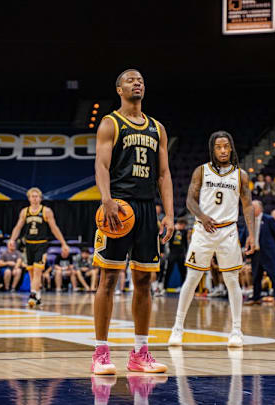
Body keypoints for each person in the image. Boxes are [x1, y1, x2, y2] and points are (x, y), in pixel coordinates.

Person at [91, 69, 174, 375]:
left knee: (144, 281)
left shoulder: (157, 128)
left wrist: (168, 214)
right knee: (109, 279)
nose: (137, 82)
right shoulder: (111, 123)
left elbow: (164, 175)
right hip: (119, 207)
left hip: (146, 209)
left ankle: (140, 352)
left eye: (140, 79)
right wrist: (106, 199)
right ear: (119, 89)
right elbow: (101, 164)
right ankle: (100, 352)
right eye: (130, 79)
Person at [168, 131, 255, 348]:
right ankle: (178, 328)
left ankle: (236, 330)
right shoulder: (201, 171)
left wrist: (252, 234)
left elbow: (247, 205)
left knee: (232, 280)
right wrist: (202, 216)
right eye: (219, 147)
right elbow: (190, 199)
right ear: (213, 149)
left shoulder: (241, 175)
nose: (223, 150)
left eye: (226, 146)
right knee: (193, 278)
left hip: (228, 231)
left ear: (231, 148)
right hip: (203, 230)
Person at [8, 187, 70, 307]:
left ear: (40, 198)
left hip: (41, 244)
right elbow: (18, 227)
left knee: (37, 271)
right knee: (31, 273)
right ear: (29, 198)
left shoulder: (46, 211)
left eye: (37, 196)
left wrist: (63, 243)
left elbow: (54, 228)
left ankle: (32, 294)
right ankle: (37, 296)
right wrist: (12, 239)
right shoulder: (24, 212)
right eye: (33, 196)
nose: (35, 198)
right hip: (28, 245)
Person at [247, 200, 275, 306]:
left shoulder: (269, 219)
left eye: (253, 207)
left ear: (259, 208)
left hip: (268, 253)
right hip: (256, 253)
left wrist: (272, 247)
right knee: (256, 277)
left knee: (273, 276)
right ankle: (256, 298)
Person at [163, 219, 189, 292]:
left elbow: (185, 243)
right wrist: (175, 228)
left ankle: (183, 288)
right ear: (180, 224)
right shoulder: (172, 230)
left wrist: (185, 253)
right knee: (168, 270)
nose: (184, 227)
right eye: (183, 225)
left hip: (181, 254)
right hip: (172, 253)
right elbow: (168, 241)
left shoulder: (184, 231)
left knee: (183, 271)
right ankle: (164, 287)